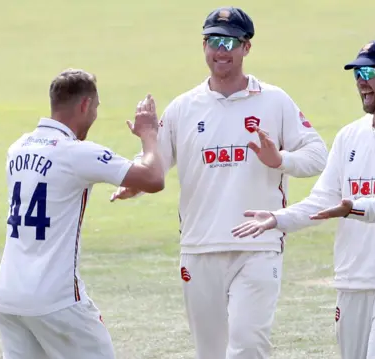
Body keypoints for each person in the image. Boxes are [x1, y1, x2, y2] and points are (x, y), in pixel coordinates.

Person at [109, 6, 329, 359]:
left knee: (248, 347)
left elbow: (318, 154)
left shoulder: (274, 100)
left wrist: (280, 160)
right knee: (210, 352)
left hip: (258, 245)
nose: (221, 50)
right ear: (203, 45)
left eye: (229, 42)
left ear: (246, 47)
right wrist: (134, 181)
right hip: (199, 247)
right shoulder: (184, 107)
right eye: (213, 41)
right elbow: (155, 165)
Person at [231, 39, 375, 359]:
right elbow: (323, 200)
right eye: (357, 72)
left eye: (370, 71)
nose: (361, 80)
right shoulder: (350, 136)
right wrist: (278, 219)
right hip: (353, 278)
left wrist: (356, 207)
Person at [0, 68, 165, 359]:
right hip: (57, 300)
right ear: (85, 105)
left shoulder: (17, 148)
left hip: (8, 298)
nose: (95, 116)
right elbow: (153, 178)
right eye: (95, 108)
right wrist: (148, 134)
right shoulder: (76, 152)